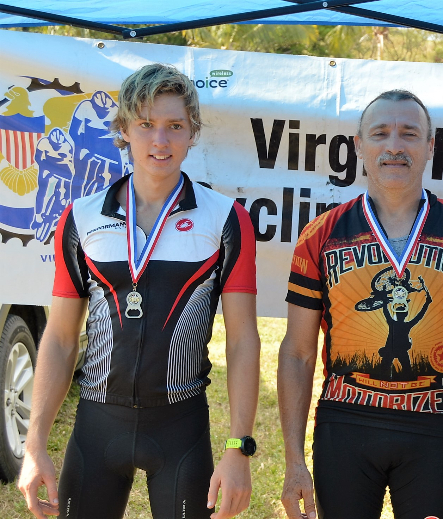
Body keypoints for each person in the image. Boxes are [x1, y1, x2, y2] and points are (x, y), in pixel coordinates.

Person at [17, 63, 261, 519]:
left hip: (180, 425)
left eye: (174, 126)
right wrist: (35, 444)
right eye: (146, 125)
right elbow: (60, 337)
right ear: (124, 130)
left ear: (193, 133)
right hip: (96, 424)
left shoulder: (226, 218)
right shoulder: (82, 217)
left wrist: (238, 448)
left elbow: (244, 339)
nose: (160, 141)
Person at [278, 90, 443, 519]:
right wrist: (294, 461)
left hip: (433, 425)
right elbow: (297, 352)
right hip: (344, 422)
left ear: (429, 146)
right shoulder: (319, 235)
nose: (395, 146)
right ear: (359, 146)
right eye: (380, 133)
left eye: (409, 134)